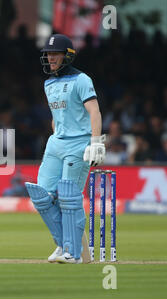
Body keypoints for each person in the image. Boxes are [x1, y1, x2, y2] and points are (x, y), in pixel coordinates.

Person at [25, 34, 105, 264]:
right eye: (48, 54)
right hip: (56, 142)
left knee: (68, 197)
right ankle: (64, 246)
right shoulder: (48, 83)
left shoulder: (82, 80)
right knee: (41, 195)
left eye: (55, 54)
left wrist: (96, 142)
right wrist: (55, 135)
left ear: (67, 56)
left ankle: (73, 253)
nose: (50, 58)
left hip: (79, 142)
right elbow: (56, 117)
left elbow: (94, 112)